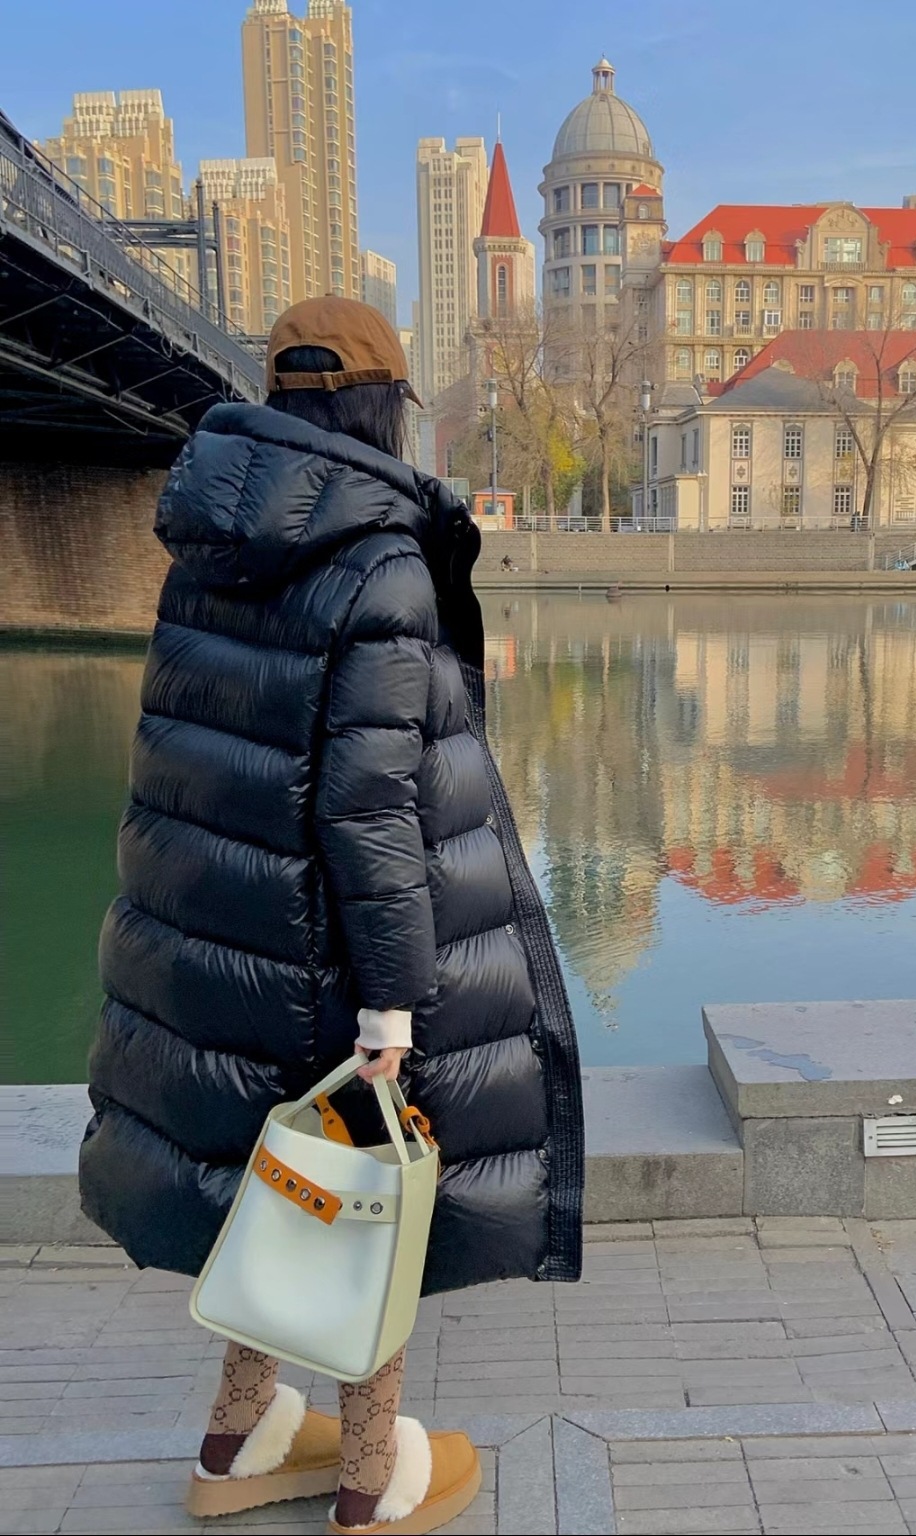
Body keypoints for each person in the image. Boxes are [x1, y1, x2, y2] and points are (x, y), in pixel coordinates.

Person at [78, 297, 584, 1535]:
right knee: (366, 1207)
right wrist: (394, 1005)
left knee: (278, 1192)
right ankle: (370, 1483)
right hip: (327, 959)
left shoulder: (206, 540)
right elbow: (370, 811)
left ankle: (236, 1442)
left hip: (214, 944)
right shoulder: (380, 559)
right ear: (378, 407)